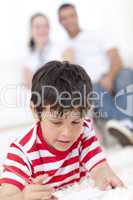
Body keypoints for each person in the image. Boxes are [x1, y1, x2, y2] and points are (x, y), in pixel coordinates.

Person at [0, 61, 123, 199]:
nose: (67, 133)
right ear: (36, 111)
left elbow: (100, 168)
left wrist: (107, 179)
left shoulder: (85, 130)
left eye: (75, 121)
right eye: (57, 122)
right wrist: (23, 196)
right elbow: (5, 195)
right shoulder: (22, 152)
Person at [58, 3, 133, 146]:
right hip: (92, 85)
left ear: (77, 16)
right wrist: (68, 60)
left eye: (71, 16)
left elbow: (116, 58)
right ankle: (127, 124)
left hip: (113, 74)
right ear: (60, 22)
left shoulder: (96, 35)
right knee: (92, 91)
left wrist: (110, 77)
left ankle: (125, 126)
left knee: (126, 74)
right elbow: (68, 78)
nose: (69, 20)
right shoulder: (64, 47)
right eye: (64, 18)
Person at [22, 13, 62, 89]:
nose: (42, 30)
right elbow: (31, 86)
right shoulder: (27, 57)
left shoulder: (60, 51)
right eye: (37, 27)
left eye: (45, 26)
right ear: (31, 30)